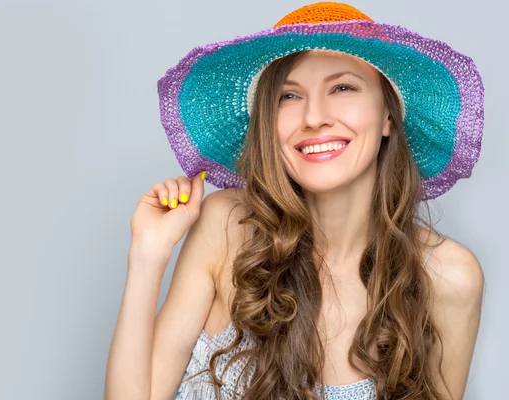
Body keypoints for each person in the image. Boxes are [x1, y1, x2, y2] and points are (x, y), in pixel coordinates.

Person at [105, 2, 485, 399]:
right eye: (289, 95)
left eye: (343, 87)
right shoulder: (226, 227)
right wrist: (147, 254)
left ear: (389, 115)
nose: (314, 117)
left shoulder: (449, 277)